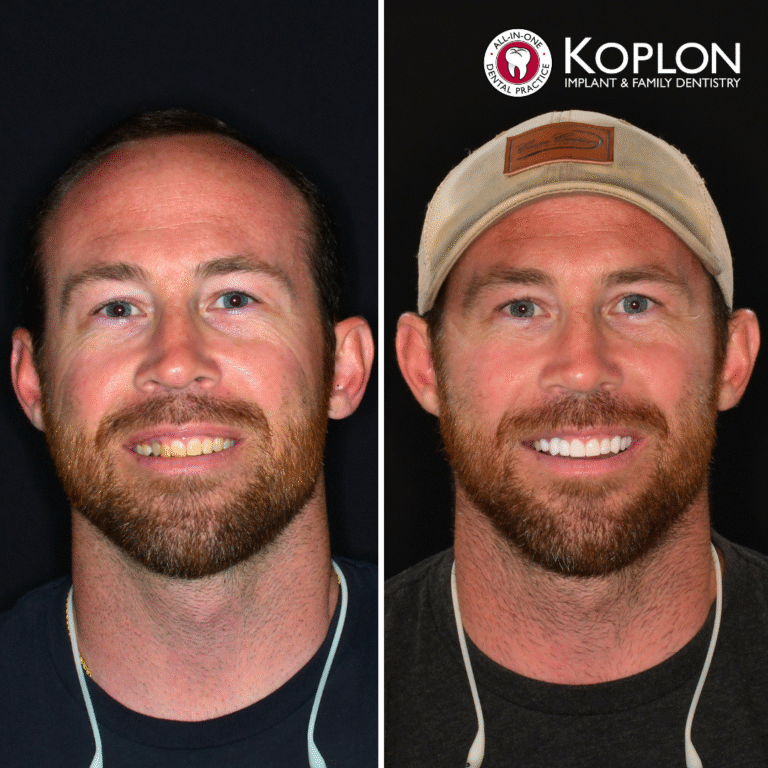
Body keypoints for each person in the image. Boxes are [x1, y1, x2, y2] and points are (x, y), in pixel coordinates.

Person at [386, 110, 767, 766]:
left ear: (731, 358)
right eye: (522, 308)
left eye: (637, 303)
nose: (584, 367)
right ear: (426, 368)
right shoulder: (347, 685)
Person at [1, 109, 376, 767]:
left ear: (343, 368)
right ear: (33, 383)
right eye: (116, 308)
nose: (174, 362)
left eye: (234, 299)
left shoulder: (467, 695)